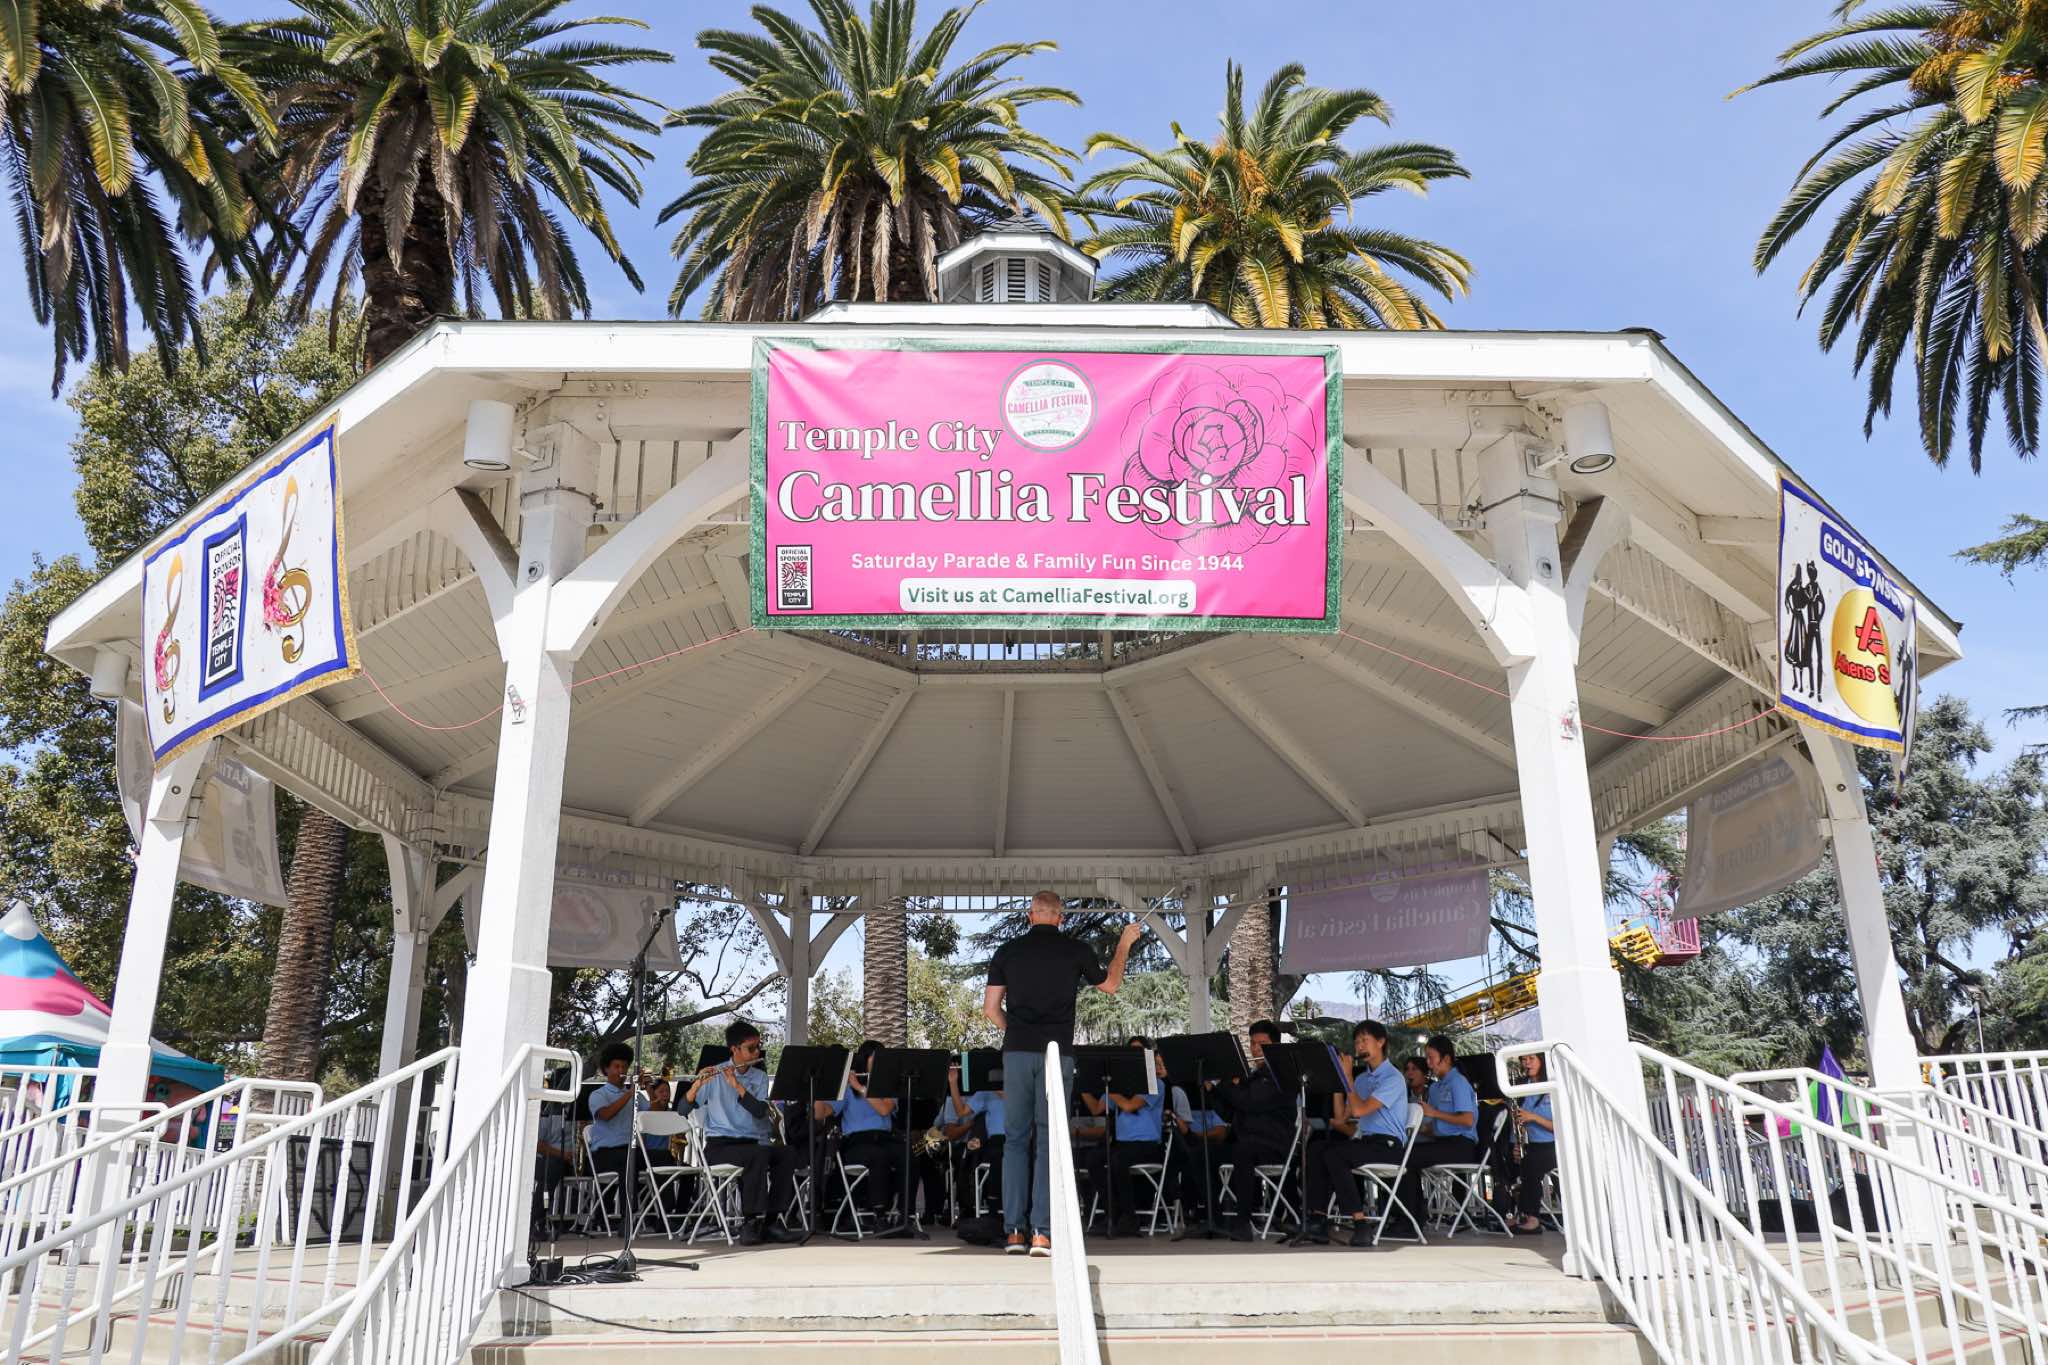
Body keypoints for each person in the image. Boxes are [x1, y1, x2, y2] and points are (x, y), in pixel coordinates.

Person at [982, 890, 1144, 1257]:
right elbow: (1111, 985)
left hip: (1018, 1051)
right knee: (1048, 1141)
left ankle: (1014, 1233)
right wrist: (1123, 944)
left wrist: (1015, 1032)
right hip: (1057, 1054)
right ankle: (1042, 1234)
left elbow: (991, 1009)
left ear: (1030, 915)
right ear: (1061, 917)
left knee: (1014, 1140)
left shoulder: (1007, 951)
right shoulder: (1076, 950)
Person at [680, 1021, 799, 1245]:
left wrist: (736, 1085)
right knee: (758, 1154)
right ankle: (751, 1221)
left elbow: (760, 1111)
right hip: (720, 1146)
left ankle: (772, 1221)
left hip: (752, 1143)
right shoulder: (715, 1075)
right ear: (734, 1049)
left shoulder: (759, 1077)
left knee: (787, 1154)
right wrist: (696, 1086)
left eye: (758, 1047)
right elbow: (682, 1109)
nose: (757, 1052)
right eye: (751, 1048)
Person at [1301, 1021, 1412, 1245]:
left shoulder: (1393, 1078)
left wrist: (1348, 1078)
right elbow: (1341, 1117)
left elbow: (1360, 1110)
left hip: (1388, 1147)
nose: (1359, 1046)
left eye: (1365, 1040)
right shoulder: (1361, 1080)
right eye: (1357, 1042)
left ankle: (1360, 1224)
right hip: (1366, 1143)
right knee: (1317, 1148)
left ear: (1380, 1042)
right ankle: (1318, 1219)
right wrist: (1339, 1081)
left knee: (1336, 1155)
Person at [1209, 1019, 1299, 1241]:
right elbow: (1231, 1113)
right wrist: (1212, 1091)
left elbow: (1250, 1103)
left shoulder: (1281, 1076)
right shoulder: (1252, 1077)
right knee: (1203, 1153)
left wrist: (1225, 1085)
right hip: (1248, 1143)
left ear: (1275, 1046)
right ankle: (1213, 1218)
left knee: (1243, 1151)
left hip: (1273, 1144)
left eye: (1262, 1044)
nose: (1256, 1049)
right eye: (1252, 1044)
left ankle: (1243, 1222)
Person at [1078, 1037, 1173, 1236]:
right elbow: (1096, 1109)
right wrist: (1083, 1084)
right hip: (1123, 1144)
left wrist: (1109, 1087)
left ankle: (1130, 1217)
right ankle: (1112, 1212)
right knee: (1093, 1159)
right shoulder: (1118, 1087)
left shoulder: (1155, 1083)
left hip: (1146, 1145)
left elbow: (1130, 1106)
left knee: (1118, 1160)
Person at [815, 1039, 908, 1224]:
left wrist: (860, 1087)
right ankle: (879, 1215)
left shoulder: (887, 1085)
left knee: (908, 1156)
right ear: (864, 1059)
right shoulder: (848, 1088)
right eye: (876, 1058)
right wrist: (820, 1085)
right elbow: (820, 1113)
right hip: (858, 1142)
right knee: (879, 1156)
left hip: (885, 1138)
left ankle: (907, 1214)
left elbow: (884, 1109)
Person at [1396, 1034, 1479, 1236]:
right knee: (1402, 1153)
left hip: (1461, 1145)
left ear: (1446, 1059)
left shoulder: (1458, 1082)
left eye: (1431, 1057)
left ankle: (1411, 1220)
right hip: (1442, 1142)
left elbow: (1467, 1120)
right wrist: (1418, 1127)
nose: (1428, 1063)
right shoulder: (1435, 1087)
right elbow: (1436, 1126)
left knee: (1408, 1158)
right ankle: (1413, 1216)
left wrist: (1434, 1113)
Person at [586, 1043, 667, 1186]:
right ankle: (629, 1201)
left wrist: (649, 1089)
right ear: (606, 1069)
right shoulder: (598, 1094)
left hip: (631, 1151)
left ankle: (667, 1201)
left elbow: (657, 1113)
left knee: (665, 1158)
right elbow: (606, 1115)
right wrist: (631, 1092)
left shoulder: (635, 1095)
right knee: (629, 1162)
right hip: (605, 1154)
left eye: (624, 1067)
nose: (621, 1071)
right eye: (616, 1066)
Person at [1511, 1051, 1557, 1235]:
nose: (1526, 1063)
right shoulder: (1524, 1087)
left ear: (1542, 1060)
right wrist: (1516, 1144)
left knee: (1531, 1163)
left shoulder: (1552, 1086)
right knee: (1510, 1161)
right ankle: (1512, 1212)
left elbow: (1562, 1127)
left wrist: (1534, 1118)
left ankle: (1532, 1218)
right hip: (1533, 1144)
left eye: (1531, 1059)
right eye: (1524, 1059)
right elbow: (1519, 1121)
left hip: (1555, 1145)